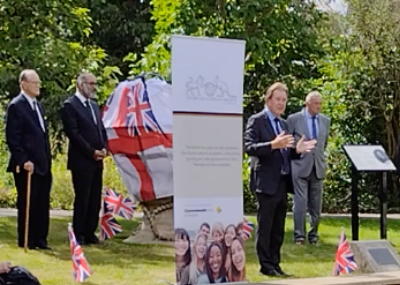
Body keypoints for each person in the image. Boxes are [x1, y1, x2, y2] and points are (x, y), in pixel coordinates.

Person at [244, 82, 316, 277]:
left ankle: (275, 263)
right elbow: (249, 147)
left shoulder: (284, 124)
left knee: (278, 228)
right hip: (266, 182)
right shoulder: (257, 120)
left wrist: (297, 151)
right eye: (278, 99)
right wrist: (272, 145)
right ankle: (265, 265)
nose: (281, 104)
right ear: (268, 99)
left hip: (283, 183)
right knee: (266, 227)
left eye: (284, 100)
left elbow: (286, 152)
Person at [5, 69, 52, 250]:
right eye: (35, 82)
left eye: (39, 82)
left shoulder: (38, 106)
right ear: (23, 83)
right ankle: (27, 240)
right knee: (28, 203)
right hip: (27, 165)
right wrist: (23, 159)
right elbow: (13, 137)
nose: (38, 86)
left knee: (42, 203)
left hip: (43, 163)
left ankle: (41, 238)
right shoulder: (16, 106)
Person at [60, 72, 107, 245]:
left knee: (95, 197)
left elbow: (100, 129)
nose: (94, 87)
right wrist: (91, 151)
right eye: (91, 83)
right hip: (82, 160)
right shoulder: (70, 105)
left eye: (95, 83)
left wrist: (104, 147)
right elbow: (74, 133)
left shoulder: (94, 106)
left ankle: (89, 232)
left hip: (97, 160)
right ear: (80, 84)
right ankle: (79, 232)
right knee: (83, 197)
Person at [287, 91, 331, 245]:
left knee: (316, 204)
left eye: (320, 103)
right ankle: (299, 235)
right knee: (300, 202)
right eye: (315, 103)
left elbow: (323, 143)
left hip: (317, 167)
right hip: (300, 166)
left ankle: (314, 235)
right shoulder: (294, 119)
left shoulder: (325, 121)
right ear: (307, 103)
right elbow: (288, 142)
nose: (318, 106)